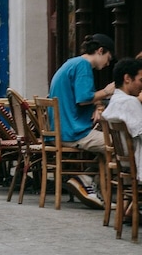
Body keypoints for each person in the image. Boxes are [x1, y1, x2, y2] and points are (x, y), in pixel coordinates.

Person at [51, 33, 117, 208]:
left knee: (108, 147)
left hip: (63, 128)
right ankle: (86, 180)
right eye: (108, 58)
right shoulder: (84, 66)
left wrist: (96, 104)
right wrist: (107, 91)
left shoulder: (72, 63)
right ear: (100, 51)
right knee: (117, 145)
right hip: (73, 131)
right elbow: (83, 98)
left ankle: (88, 181)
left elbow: (82, 97)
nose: (108, 64)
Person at [97, 58, 142, 180]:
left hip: (122, 157)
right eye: (140, 80)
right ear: (127, 78)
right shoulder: (129, 102)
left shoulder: (115, 99)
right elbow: (140, 131)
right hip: (134, 157)